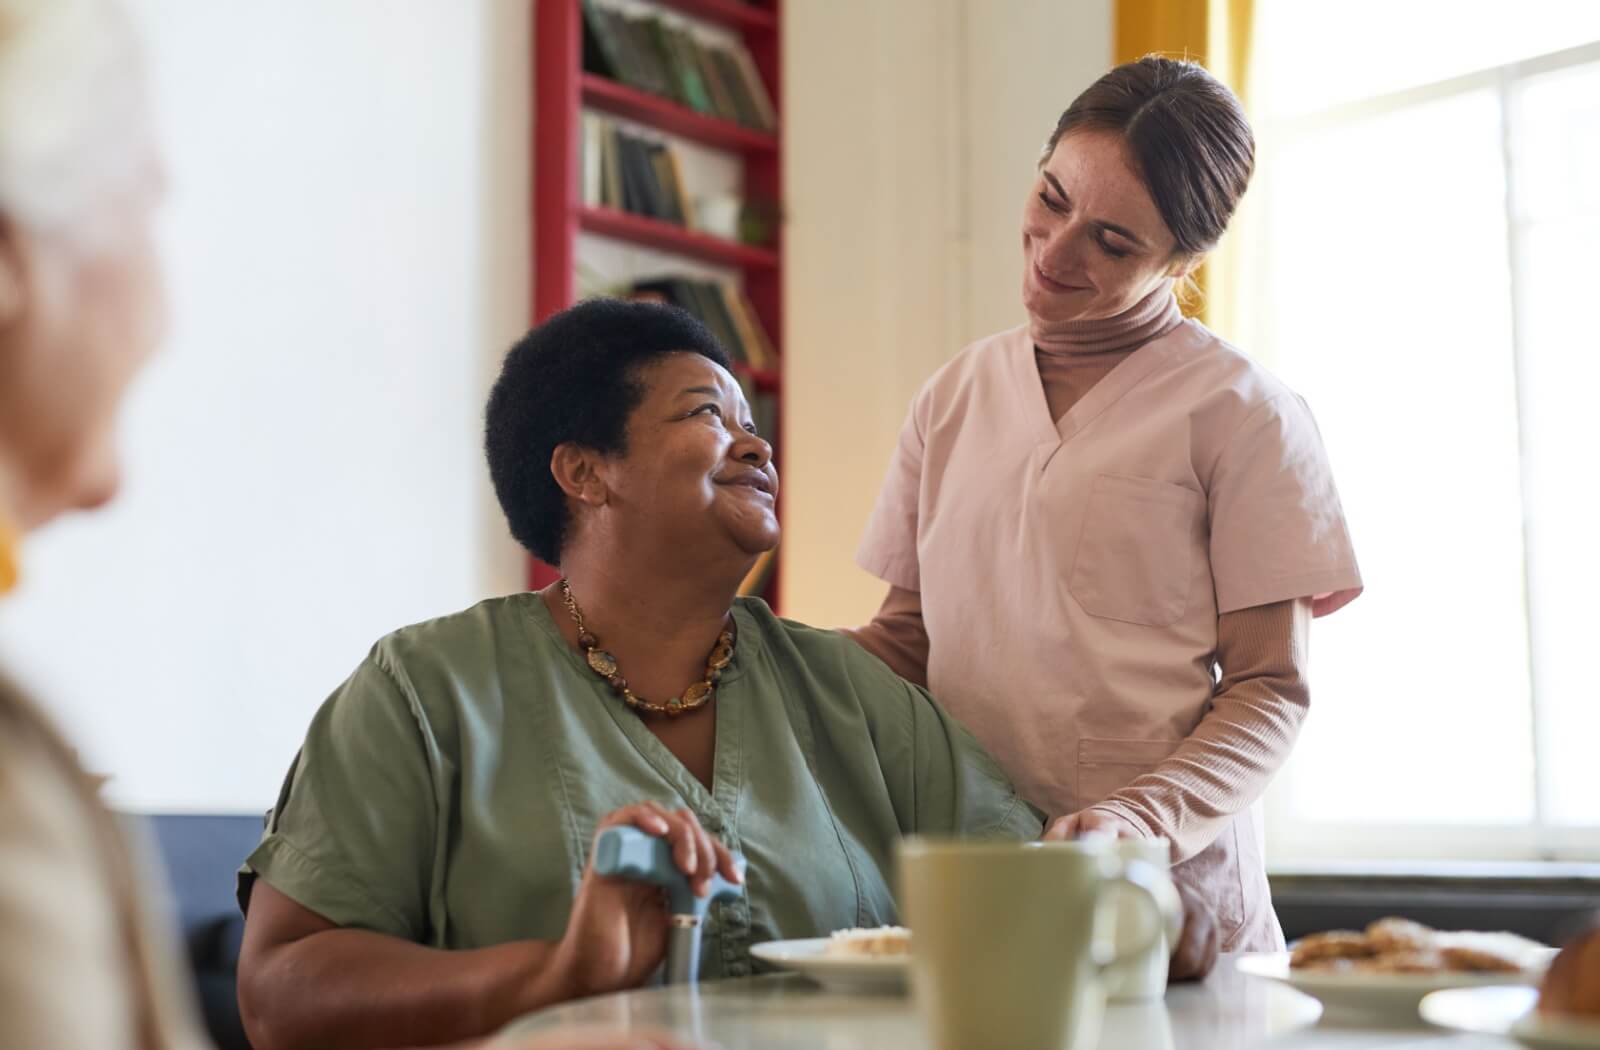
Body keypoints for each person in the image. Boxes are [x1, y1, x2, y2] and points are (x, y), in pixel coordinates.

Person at [235, 299, 1051, 1050]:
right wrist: (558, 977)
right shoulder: (423, 691)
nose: (758, 444)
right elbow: (280, 991)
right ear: (586, 473)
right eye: (706, 413)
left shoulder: (851, 693)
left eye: (750, 422)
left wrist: (1162, 885)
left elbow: (1037, 889)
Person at [849, 56, 1363, 953]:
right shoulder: (953, 396)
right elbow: (904, 640)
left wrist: (1140, 819)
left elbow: (1270, 687)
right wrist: (740, 673)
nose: (1055, 252)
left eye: (1112, 242)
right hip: (979, 884)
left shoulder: (1245, 416)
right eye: (1052, 199)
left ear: (1186, 259)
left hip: (1163, 900)